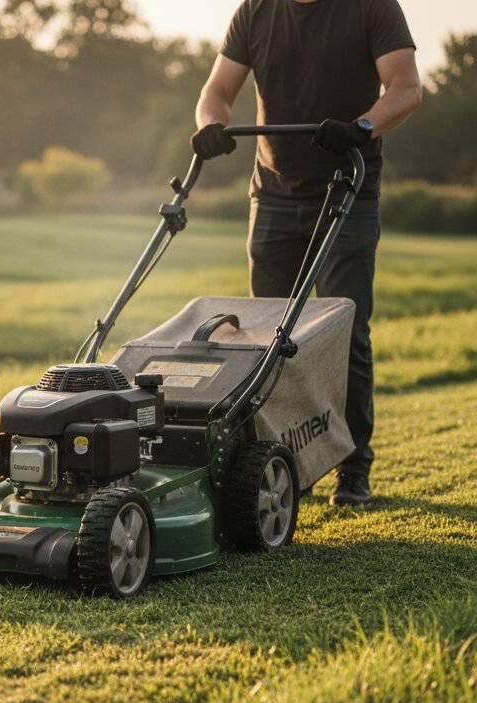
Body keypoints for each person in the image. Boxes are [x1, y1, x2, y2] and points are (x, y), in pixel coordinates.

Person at [191, 0, 422, 506]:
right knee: (267, 337)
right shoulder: (255, 11)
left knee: (345, 330)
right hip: (272, 192)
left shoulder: (372, 7)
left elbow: (406, 88)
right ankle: (280, 463)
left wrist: (361, 127)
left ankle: (352, 468)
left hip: (348, 190)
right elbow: (218, 91)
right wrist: (211, 123)